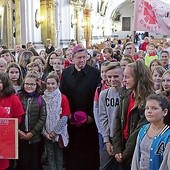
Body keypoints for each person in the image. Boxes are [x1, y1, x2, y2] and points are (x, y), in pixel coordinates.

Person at [60, 45, 101, 170]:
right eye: (79, 58)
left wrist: (90, 117)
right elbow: (63, 95)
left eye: (84, 57)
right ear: (72, 59)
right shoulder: (66, 73)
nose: (82, 60)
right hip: (71, 119)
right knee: (72, 151)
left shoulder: (94, 73)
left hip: (89, 120)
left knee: (89, 153)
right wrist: (68, 115)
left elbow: (96, 97)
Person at [112, 60, 154, 170]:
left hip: (138, 150)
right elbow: (117, 122)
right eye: (123, 76)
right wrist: (117, 149)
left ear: (138, 78)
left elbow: (140, 129)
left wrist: (125, 154)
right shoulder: (125, 96)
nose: (124, 80)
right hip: (123, 147)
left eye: (127, 77)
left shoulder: (149, 100)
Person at [16, 73, 47, 170]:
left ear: (36, 85)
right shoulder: (18, 97)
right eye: (27, 84)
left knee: (34, 161)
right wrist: (18, 131)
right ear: (23, 84)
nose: (29, 86)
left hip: (35, 137)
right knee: (22, 161)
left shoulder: (40, 99)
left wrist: (32, 132)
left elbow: (42, 117)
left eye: (32, 84)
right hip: (20, 135)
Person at [131, 94, 170, 170]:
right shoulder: (143, 130)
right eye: (147, 108)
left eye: (154, 108)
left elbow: (166, 165)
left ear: (164, 112)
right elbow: (136, 157)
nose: (149, 111)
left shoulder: (167, 135)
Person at [42, 73, 70, 170]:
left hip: (59, 132)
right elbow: (40, 116)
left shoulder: (63, 98)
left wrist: (55, 132)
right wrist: (46, 133)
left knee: (58, 154)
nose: (50, 86)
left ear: (58, 84)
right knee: (50, 155)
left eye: (53, 83)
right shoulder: (42, 98)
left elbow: (65, 116)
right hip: (46, 132)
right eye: (48, 83)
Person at [98, 62, 123, 170]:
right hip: (110, 137)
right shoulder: (104, 94)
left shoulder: (129, 93)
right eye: (109, 77)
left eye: (116, 76)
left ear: (122, 76)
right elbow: (103, 118)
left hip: (124, 139)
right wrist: (106, 140)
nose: (112, 79)